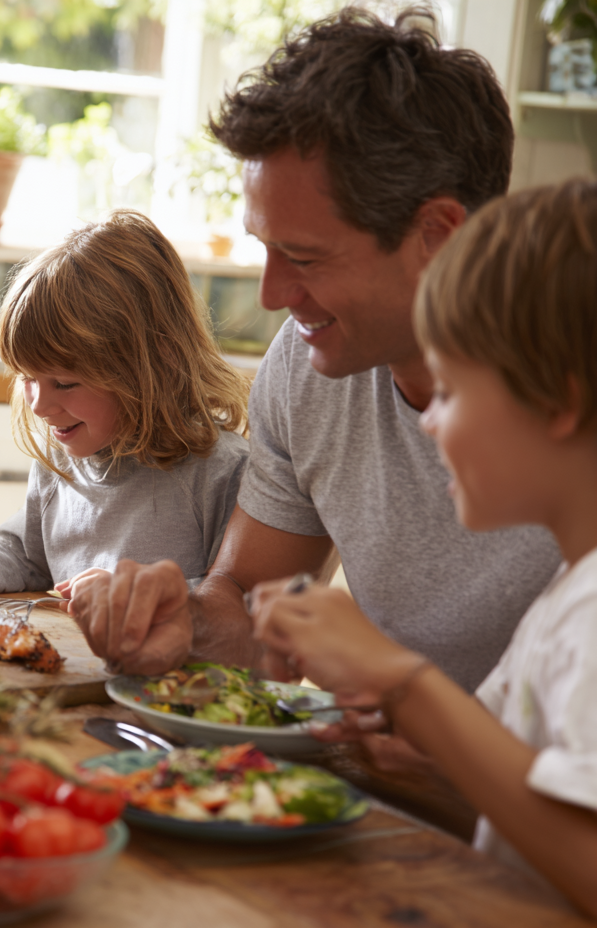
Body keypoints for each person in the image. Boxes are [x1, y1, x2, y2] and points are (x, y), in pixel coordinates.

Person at [63, 8, 561, 692]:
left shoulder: (571, 398)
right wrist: (189, 620)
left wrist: (426, 741)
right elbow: (250, 603)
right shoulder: (310, 364)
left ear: (438, 236)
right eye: (265, 249)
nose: (272, 295)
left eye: (303, 256)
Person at [252, 180, 597, 914]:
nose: (429, 424)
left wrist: (405, 682)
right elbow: (521, 804)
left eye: (448, 391)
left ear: (559, 403)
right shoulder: (567, 599)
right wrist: (400, 731)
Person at [0, 210, 249, 595]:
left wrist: (138, 596)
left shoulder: (222, 473)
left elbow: (238, 600)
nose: (39, 406)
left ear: (153, 364)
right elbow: (26, 560)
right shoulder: (59, 461)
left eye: (64, 383)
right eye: (27, 379)